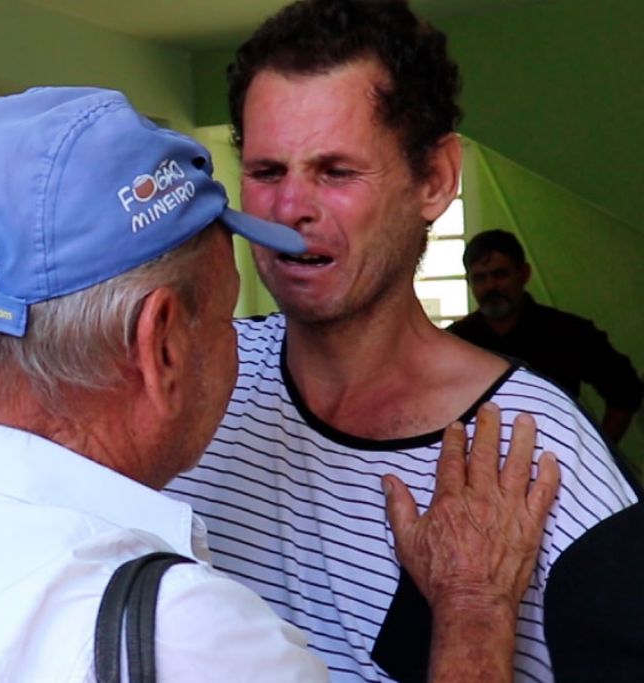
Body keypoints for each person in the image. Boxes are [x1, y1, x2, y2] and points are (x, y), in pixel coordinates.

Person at [0, 87, 558, 682]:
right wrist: (475, 612)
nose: (244, 344)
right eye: (226, 319)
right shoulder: (190, 640)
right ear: (159, 344)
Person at [165, 1, 644, 681]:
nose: (290, 207)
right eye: (268, 172)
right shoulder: (184, 394)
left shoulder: (540, 455)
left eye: (335, 171)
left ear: (435, 179)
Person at [448, 229, 643, 444]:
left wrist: (597, 453)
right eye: (480, 278)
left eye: (500, 274)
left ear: (524, 274)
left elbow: (626, 391)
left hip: (553, 465)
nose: (491, 287)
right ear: (469, 282)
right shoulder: (456, 342)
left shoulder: (567, 333)